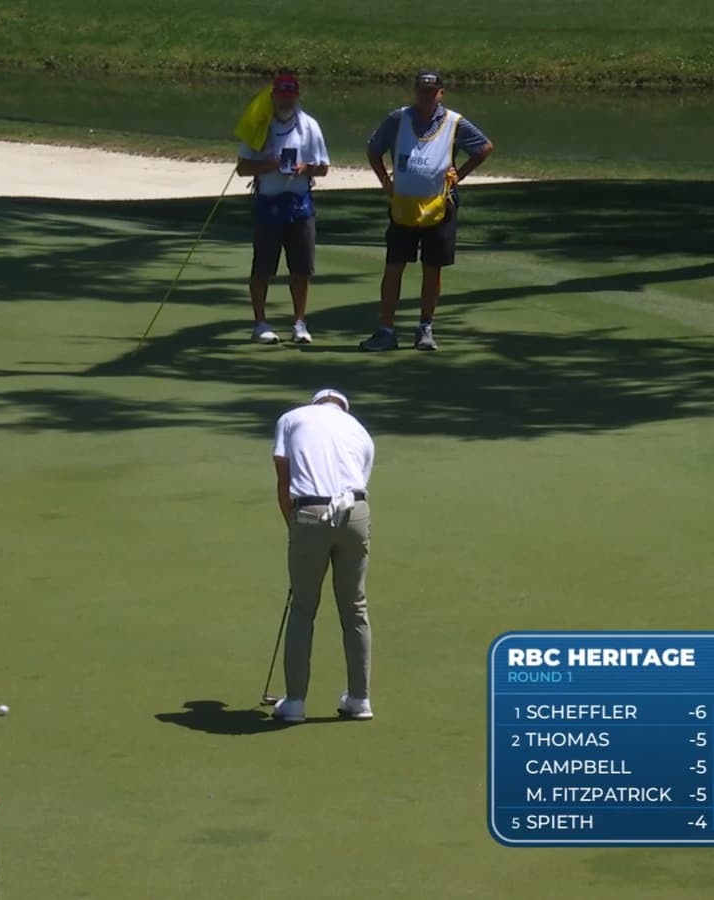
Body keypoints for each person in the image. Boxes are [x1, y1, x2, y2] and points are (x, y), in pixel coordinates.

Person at [361, 69, 495, 352]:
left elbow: (484, 147)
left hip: (440, 204)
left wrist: (460, 174)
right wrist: (385, 182)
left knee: (432, 270)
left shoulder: (454, 122)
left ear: (440, 94)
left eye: (431, 92)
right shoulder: (399, 118)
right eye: (421, 91)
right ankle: (386, 330)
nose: (425, 97)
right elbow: (374, 149)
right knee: (394, 267)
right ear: (416, 92)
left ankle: (425, 328)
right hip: (403, 205)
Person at [270, 389, 375, 722]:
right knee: (354, 607)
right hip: (356, 512)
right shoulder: (359, 429)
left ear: (316, 403)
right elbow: (359, 483)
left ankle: (295, 704)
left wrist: (295, 531)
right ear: (343, 406)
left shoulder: (291, 418)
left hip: (309, 512)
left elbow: (283, 479)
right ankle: (359, 700)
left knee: (302, 607)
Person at [235, 72, 331, 345]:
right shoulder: (261, 125)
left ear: (296, 97)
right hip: (268, 203)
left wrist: (305, 168)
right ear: (273, 96)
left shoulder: (309, 126)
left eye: (290, 96)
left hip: (299, 204)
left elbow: (323, 167)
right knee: (262, 268)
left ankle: (300, 322)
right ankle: (260, 323)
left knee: (301, 269)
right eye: (280, 95)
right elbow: (242, 167)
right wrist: (269, 164)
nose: (284, 101)